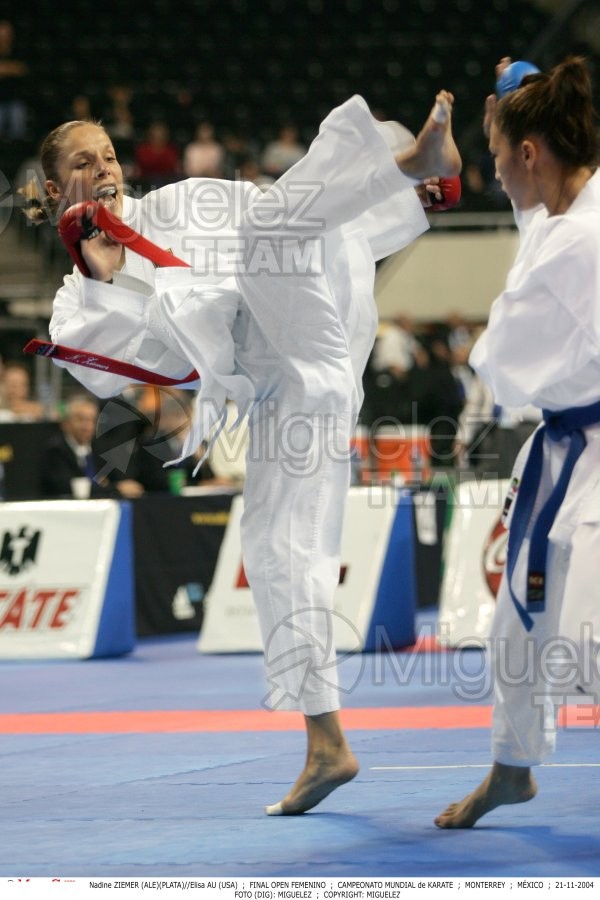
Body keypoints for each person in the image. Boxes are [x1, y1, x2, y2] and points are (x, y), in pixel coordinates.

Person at [21, 89, 461, 815]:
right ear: (50, 187)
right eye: (81, 162)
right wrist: (105, 276)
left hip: (314, 318)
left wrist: (396, 188)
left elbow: (287, 214)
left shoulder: (182, 203)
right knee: (276, 547)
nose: (102, 169)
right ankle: (327, 742)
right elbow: (141, 378)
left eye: (106, 155)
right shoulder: (74, 305)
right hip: (287, 396)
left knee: (271, 226)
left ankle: (413, 167)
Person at [435, 56, 600, 829]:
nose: (494, 169)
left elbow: (499, 366)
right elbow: (533, 218)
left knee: (586, 635)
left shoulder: (576, 244)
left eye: (498, 150)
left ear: (531, 154)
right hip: (571, 451)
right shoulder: (565, 212)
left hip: (591, 453)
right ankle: (512, 770)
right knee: (518, 622)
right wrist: (511, 87)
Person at [39, 393, 144, 500]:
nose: (87, 426)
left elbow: (117, 478)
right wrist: (112, 488)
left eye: (92, 420)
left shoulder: (100, 448)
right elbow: (69, 488)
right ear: (66, 423)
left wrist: (107, 486)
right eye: (81, 420)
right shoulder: (55, 451)